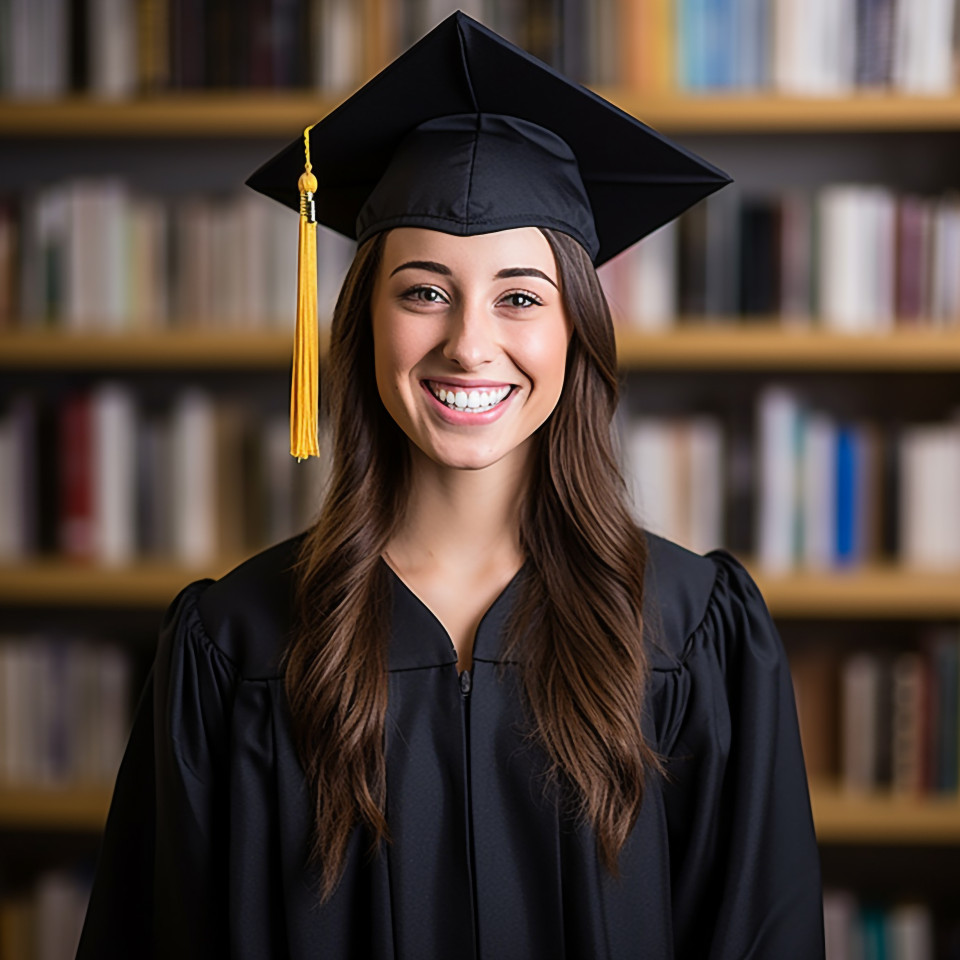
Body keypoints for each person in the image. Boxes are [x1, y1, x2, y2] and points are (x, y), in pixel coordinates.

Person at [75, 11, 825, 960]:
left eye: (520, 296)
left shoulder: (694, 635)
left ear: (575, 334)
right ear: (364, 325)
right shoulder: (235, 646)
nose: (470, 342)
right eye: (423, 290)